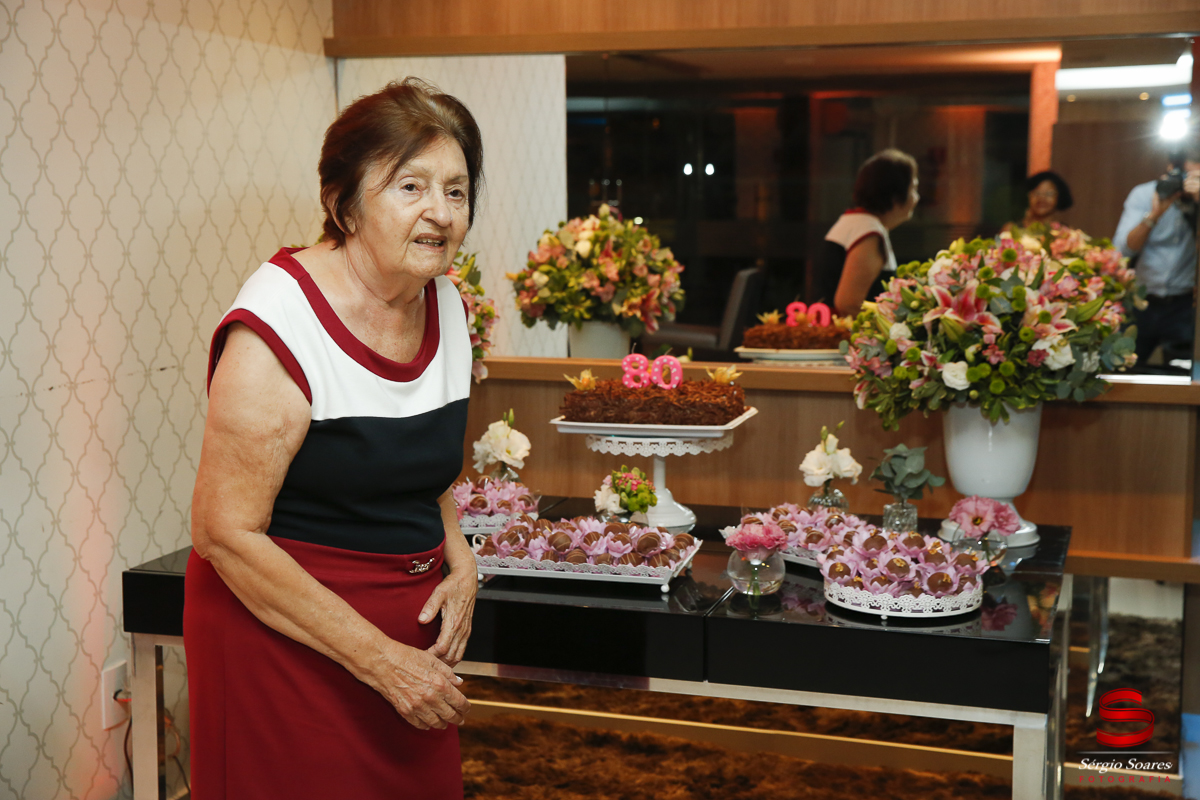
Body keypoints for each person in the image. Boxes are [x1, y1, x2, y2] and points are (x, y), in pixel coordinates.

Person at [183, 78, 482, 799]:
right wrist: (381, 662)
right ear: (343, 203)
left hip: (401, 646)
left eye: (457, 190)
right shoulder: (277, 325)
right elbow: (224, 533)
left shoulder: (445, 302)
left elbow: (425, 471)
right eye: (410, 186)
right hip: (284, 640)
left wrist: (460, 555)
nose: (439, 214)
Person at [1113, 141, 1200, 371]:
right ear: (1172, 168)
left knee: (1184, 376)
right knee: (1123, 368)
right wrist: (1155, 214)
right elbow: (1123, 249)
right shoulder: (1145, 193)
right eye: (1186, 176)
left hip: (1184, 306)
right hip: (1141, 301)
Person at [814, 149, 920, 317]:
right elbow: (848, 304)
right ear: (895, 195)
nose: (916, 198)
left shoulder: (854, 222)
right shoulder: (868, 231)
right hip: (845, 339)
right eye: (913, 188)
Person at [1001, 170, 1073, 233]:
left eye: (1049, 194)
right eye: (1037, 193)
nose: (1041, 198)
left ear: (1059, 197)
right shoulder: (1011, 230)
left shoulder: (1064, 233)